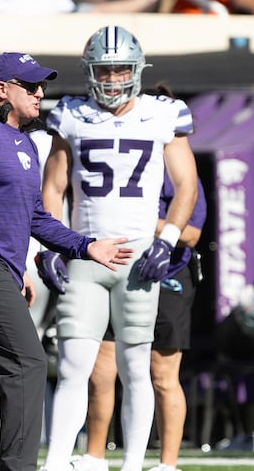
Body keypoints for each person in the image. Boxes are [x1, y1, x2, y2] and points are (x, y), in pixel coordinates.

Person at [0, 51, 134, 471]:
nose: (40, 93)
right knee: (27, 364)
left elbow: (35, 219)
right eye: (31, 86)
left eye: (41, 85)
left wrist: (86, 246)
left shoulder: (24, 141)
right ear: (3, 90)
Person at [38, 25, 198, 471]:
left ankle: (131, 464)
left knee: (136, 367)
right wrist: (54, 244)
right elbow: (53, 188)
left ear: (137, 70)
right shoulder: (69, 113)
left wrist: (166, 241)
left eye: (119, 69)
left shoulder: (164, 113)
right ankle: (54, 463)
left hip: (141, 255)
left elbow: (187, 185)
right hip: (88, 252)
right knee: (74, 364)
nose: (111, 79)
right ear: (89, 71)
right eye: (103, 70)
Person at [79, 167, 207, 471]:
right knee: (101, 370)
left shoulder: (179, 171)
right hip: (118, 272)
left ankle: (167, 464)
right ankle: (93, 457)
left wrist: (141, 223)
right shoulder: (118, 161)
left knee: (162, 374)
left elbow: (191, 234)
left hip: (168, 276)